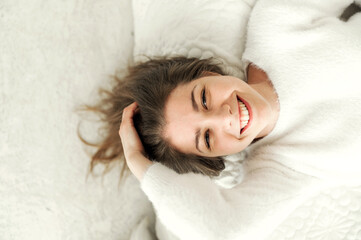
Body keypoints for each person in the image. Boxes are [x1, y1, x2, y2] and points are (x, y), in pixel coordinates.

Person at [82, 0, 361, 239]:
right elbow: (222, 231)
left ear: (207, 74)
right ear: (215, 158)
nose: (223, 117)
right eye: (206, 137)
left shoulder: (277, 25)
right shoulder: (282, 168)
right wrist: (139, 163)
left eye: (203, 99)